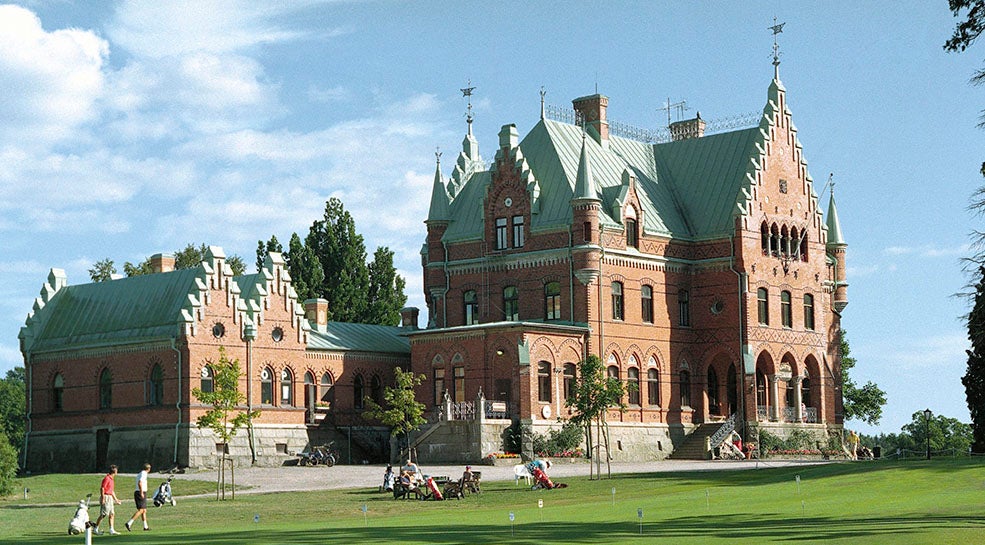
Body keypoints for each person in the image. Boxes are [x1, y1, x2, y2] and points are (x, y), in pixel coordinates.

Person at [93, 465, 122, 535]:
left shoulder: (111, 479)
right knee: (103, 514)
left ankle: (111, 530)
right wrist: (103, 498)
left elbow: (111, 491)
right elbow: (102, 488)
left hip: (110, 497)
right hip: (106, 497)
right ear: (114, 471)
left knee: (112, 514)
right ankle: (95, 528)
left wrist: (116, 499)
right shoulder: (107, 478)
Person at [124, 463, 151, 532]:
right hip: (140, 492)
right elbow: (140, 482)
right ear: (148, 469)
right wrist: (141, 492)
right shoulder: (144, 473)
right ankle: (129, 523)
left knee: (144, 510)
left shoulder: (140, 473)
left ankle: (145, 526)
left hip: (141, 492)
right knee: (141, 510)